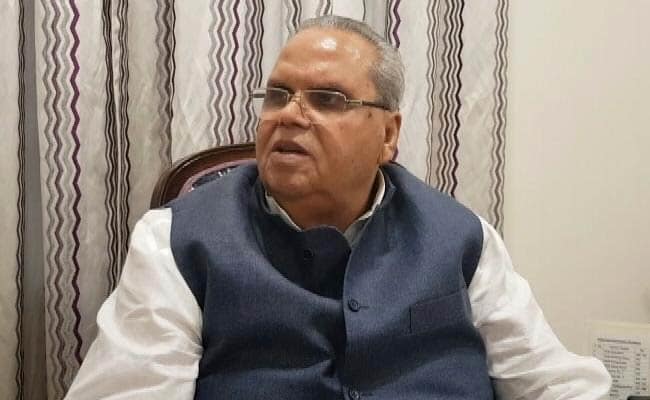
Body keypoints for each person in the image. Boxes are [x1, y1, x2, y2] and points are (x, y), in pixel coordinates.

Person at [65, 15, 611, 399]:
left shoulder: (463, 237)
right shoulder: (174, 241)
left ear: (388, 135)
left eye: (327, 99)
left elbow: (550, 380)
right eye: (277, 95)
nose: (289, 115)